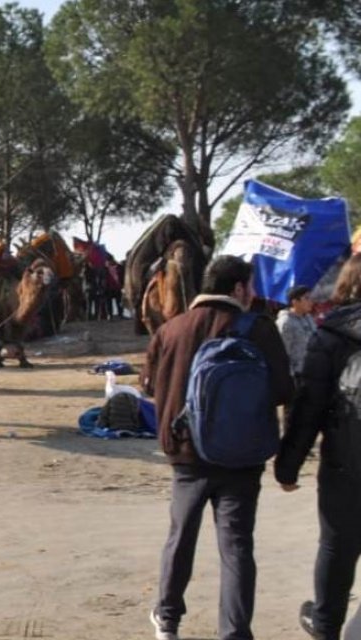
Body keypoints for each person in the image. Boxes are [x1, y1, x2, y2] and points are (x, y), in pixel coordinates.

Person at [142, 255, 294, 640]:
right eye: (252, 286)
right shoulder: (258, 328)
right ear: (238, 289)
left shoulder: (172, 329)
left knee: (181, 536)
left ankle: (168, 620)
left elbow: (147, 386)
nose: (254, 293)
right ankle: (235, 632)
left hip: (186, 452)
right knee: (237, 547)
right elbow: (283, 390)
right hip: (243, 455)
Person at [277, 254, 361, 640]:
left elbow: (308, 407)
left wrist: (288, 465)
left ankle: (326, 626)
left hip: (346, 463)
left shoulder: (329, 335)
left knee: (336, 547)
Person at [278, 284, 317, 379]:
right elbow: (283, 353)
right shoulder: (286, 322)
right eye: (306, 298)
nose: (310, 302)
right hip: (297, 375)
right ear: (295, 302)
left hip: (313, 370)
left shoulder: (309, 318)